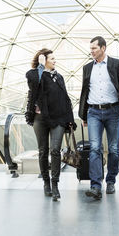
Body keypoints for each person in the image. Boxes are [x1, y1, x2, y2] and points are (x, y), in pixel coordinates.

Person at [78, 36, 119, 200]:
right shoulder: (87, 67)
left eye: (94, 48)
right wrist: (84, 114)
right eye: (91, 49)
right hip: (93, 112)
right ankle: (95, 186)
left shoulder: (116, 64)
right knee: (95, 148)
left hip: (113, 111)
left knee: (114, 149)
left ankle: (111, 181)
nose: (92, 51)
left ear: (103, 48)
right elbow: (85, 91)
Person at [25, 48, 76, 201]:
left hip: (58, 119)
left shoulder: (59, 77)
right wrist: (40, 67)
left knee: (55, 150)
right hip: (40, 119)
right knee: (43, 151)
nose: (55, 61)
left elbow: (65, 99)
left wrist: (70, 119)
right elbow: (35, 85)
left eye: (55, 58)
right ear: (44, 60)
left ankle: (55, 184)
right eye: (52, 58)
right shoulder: (34, 74)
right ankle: (46, 183)